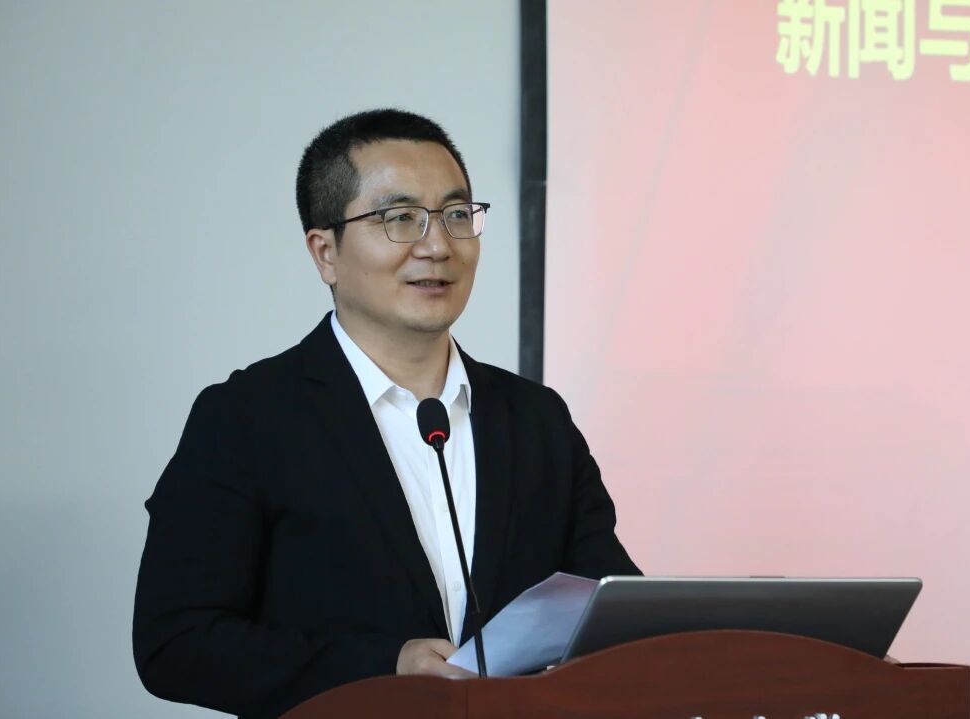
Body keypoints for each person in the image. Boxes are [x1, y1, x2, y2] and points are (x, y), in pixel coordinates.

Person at [132, 109, 639, 719]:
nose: (438, 246)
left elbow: (613, 611)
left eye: (457, 215)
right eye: (400, 219)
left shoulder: (535, 419)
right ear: (325, 253)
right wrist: (383, 665)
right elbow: (176, 641)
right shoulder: (246, 418)